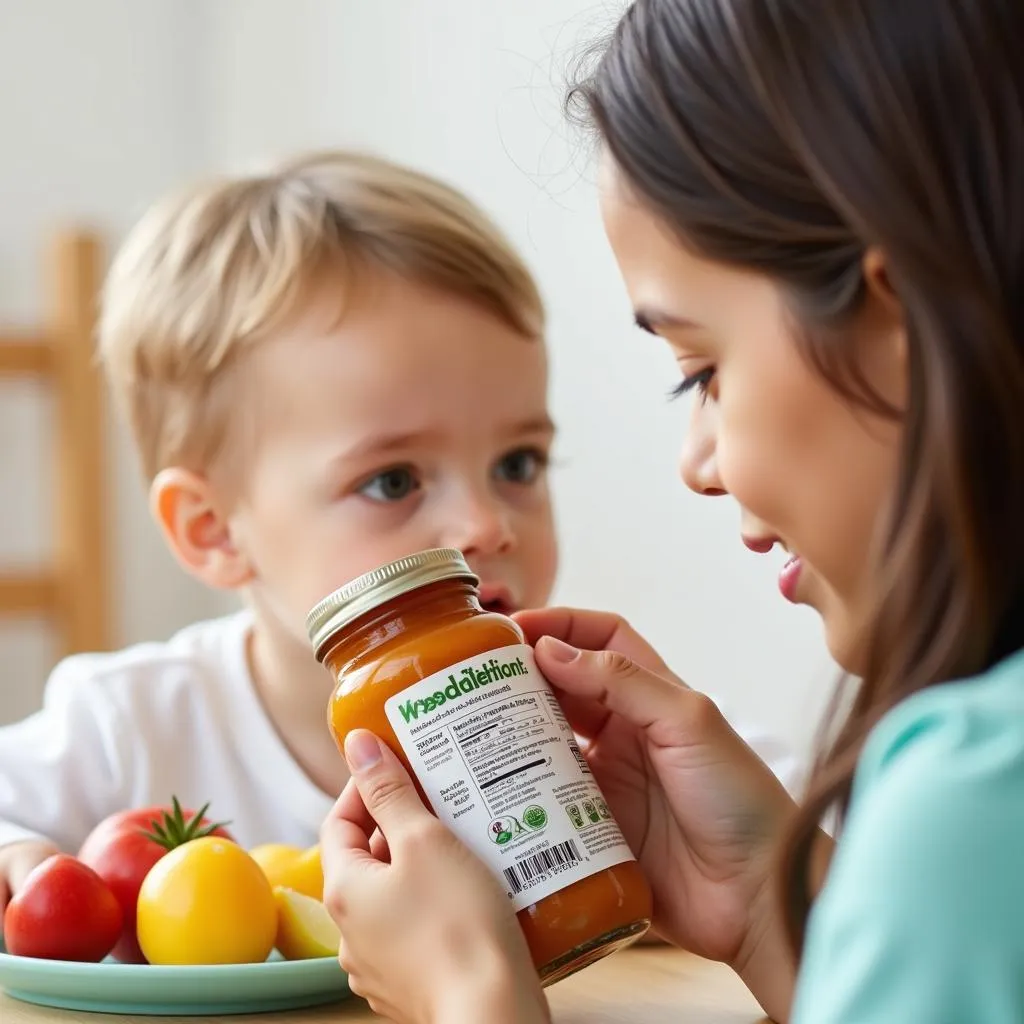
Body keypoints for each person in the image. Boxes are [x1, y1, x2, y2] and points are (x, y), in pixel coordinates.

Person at [317, 2, 1024, 1022]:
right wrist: (767, 915)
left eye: (700, 370)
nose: (694, 464)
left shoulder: (970, 808)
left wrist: (472, 1001)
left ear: (895, 320)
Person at [0, 150, 796, 916]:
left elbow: (802, 835)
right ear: (214, 532)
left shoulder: (588, 723)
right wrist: (28, 872)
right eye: (393, 481)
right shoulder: (131, 724)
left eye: (518, 463)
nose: (485, 524)